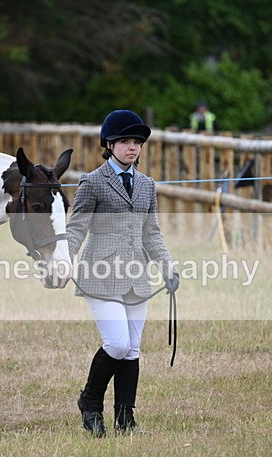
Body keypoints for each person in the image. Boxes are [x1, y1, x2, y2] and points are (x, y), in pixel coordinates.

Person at [65, 109, 180, 437]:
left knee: (132, 349)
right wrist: (63, 259)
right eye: (125, 141)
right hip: (100, 275)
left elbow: (152, 233)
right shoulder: (92, 182)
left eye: (137, 142)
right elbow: (77, 228)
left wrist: (168, 267)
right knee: (116, 343)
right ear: (110, 144)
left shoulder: (146, 185)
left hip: (136, 277)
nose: (132, 147)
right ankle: (90, 402)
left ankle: (125, 420)